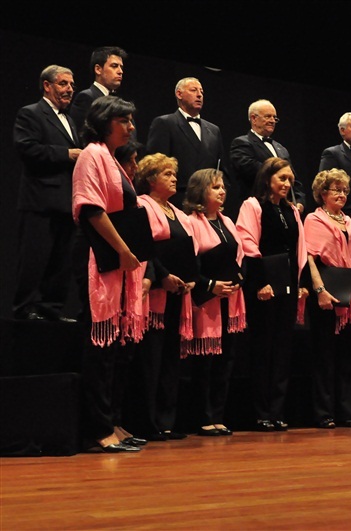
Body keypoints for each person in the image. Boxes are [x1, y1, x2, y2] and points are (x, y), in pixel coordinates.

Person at [72, 95, 146, 452]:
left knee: (118, 350)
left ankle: (113, 421)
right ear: (105, 121)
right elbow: (90, 209)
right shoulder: (92, 154)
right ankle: (98, 428)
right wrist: (123, 249)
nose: (131, 127)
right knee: (99, 350)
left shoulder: (113, 159)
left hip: (120, 267)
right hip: (99, 261)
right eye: (125, 121)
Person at [235, 157, 310, 432]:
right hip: (264, 287)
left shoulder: (292, 210)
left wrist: (300, 282)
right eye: (282, 179)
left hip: (288, 286)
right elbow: (247, 243)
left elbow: (300, 249)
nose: (287, 184)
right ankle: (261, 412)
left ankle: (277, 411)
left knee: (282, 350)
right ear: (268, 179)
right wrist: (260, 282)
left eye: (290, 179)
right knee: (263, 349)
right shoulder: (253, 206)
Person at [132, 153, 197, 441]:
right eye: (167, 174)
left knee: (171, 359)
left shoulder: (178, 212)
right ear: (150, 179)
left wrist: (189, 278)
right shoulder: (142, 205)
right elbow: (145, 248)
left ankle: (167, 421)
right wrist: (163, 276)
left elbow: (186, 250)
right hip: (154, 293)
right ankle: (147, 422)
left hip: (177, 293)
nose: (174, 178)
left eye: (174, 173)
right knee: (151, 359)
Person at [304, 169, 351, 428]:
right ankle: (324, 413)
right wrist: (320, 291)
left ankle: (347, 412)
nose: (342, 194)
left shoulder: (350, 221)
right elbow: (310, 257)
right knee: (325, 357)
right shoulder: (313, 219)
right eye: (336, 189)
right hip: (327, 293)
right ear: (323, 193)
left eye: (345, 190)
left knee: (346, 358)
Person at [12, 65, 81, 321]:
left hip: (65, 202)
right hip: (39, 200)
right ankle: (25, 308)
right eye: (63, 84)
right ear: (47, 86)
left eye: (71, 85)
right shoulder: (30, 113)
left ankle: (51, 308)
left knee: (60, 261)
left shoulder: (71, 119)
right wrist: (67, 154)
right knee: (34, 258)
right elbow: (26, 149)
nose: (69, 89)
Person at [183, 169, 246, 436]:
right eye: (215, 187)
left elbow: (239, 257)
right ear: (200, 191)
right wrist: (211, 286)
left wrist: (238, 279)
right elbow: (189, 264)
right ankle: (203, 417)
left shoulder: (228, 221)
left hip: (229, 299)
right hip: (205, 300)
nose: (222, 191)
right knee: (204, 363)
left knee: (226, 361)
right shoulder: (191, 222)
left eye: (223, 187)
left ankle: (218, 415)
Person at [146, 77, 233, 217]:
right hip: (176, 200)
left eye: (202, 92)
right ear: (179, 94)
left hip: (208, 204)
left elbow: (222, 169)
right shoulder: (165, 123)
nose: (199, 95)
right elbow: (156, 166)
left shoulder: (214, 129)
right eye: (193, 90)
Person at [229, 99, 306, 212]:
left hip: (285, 209)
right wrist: (279, 174)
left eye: (274, 118)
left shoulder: (281, 148)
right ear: (254, 118)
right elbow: (250, 169)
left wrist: (300, 202)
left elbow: (294, 178)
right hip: (259, 208)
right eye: (268, 116)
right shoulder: (241, 143)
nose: (272, 121)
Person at [69, 46, 127, 142]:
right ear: (98, 69)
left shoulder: (116, 101)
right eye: (114, 66)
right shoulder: (86, 97)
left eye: (121, 67)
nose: (120, 71)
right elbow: (81, 137)